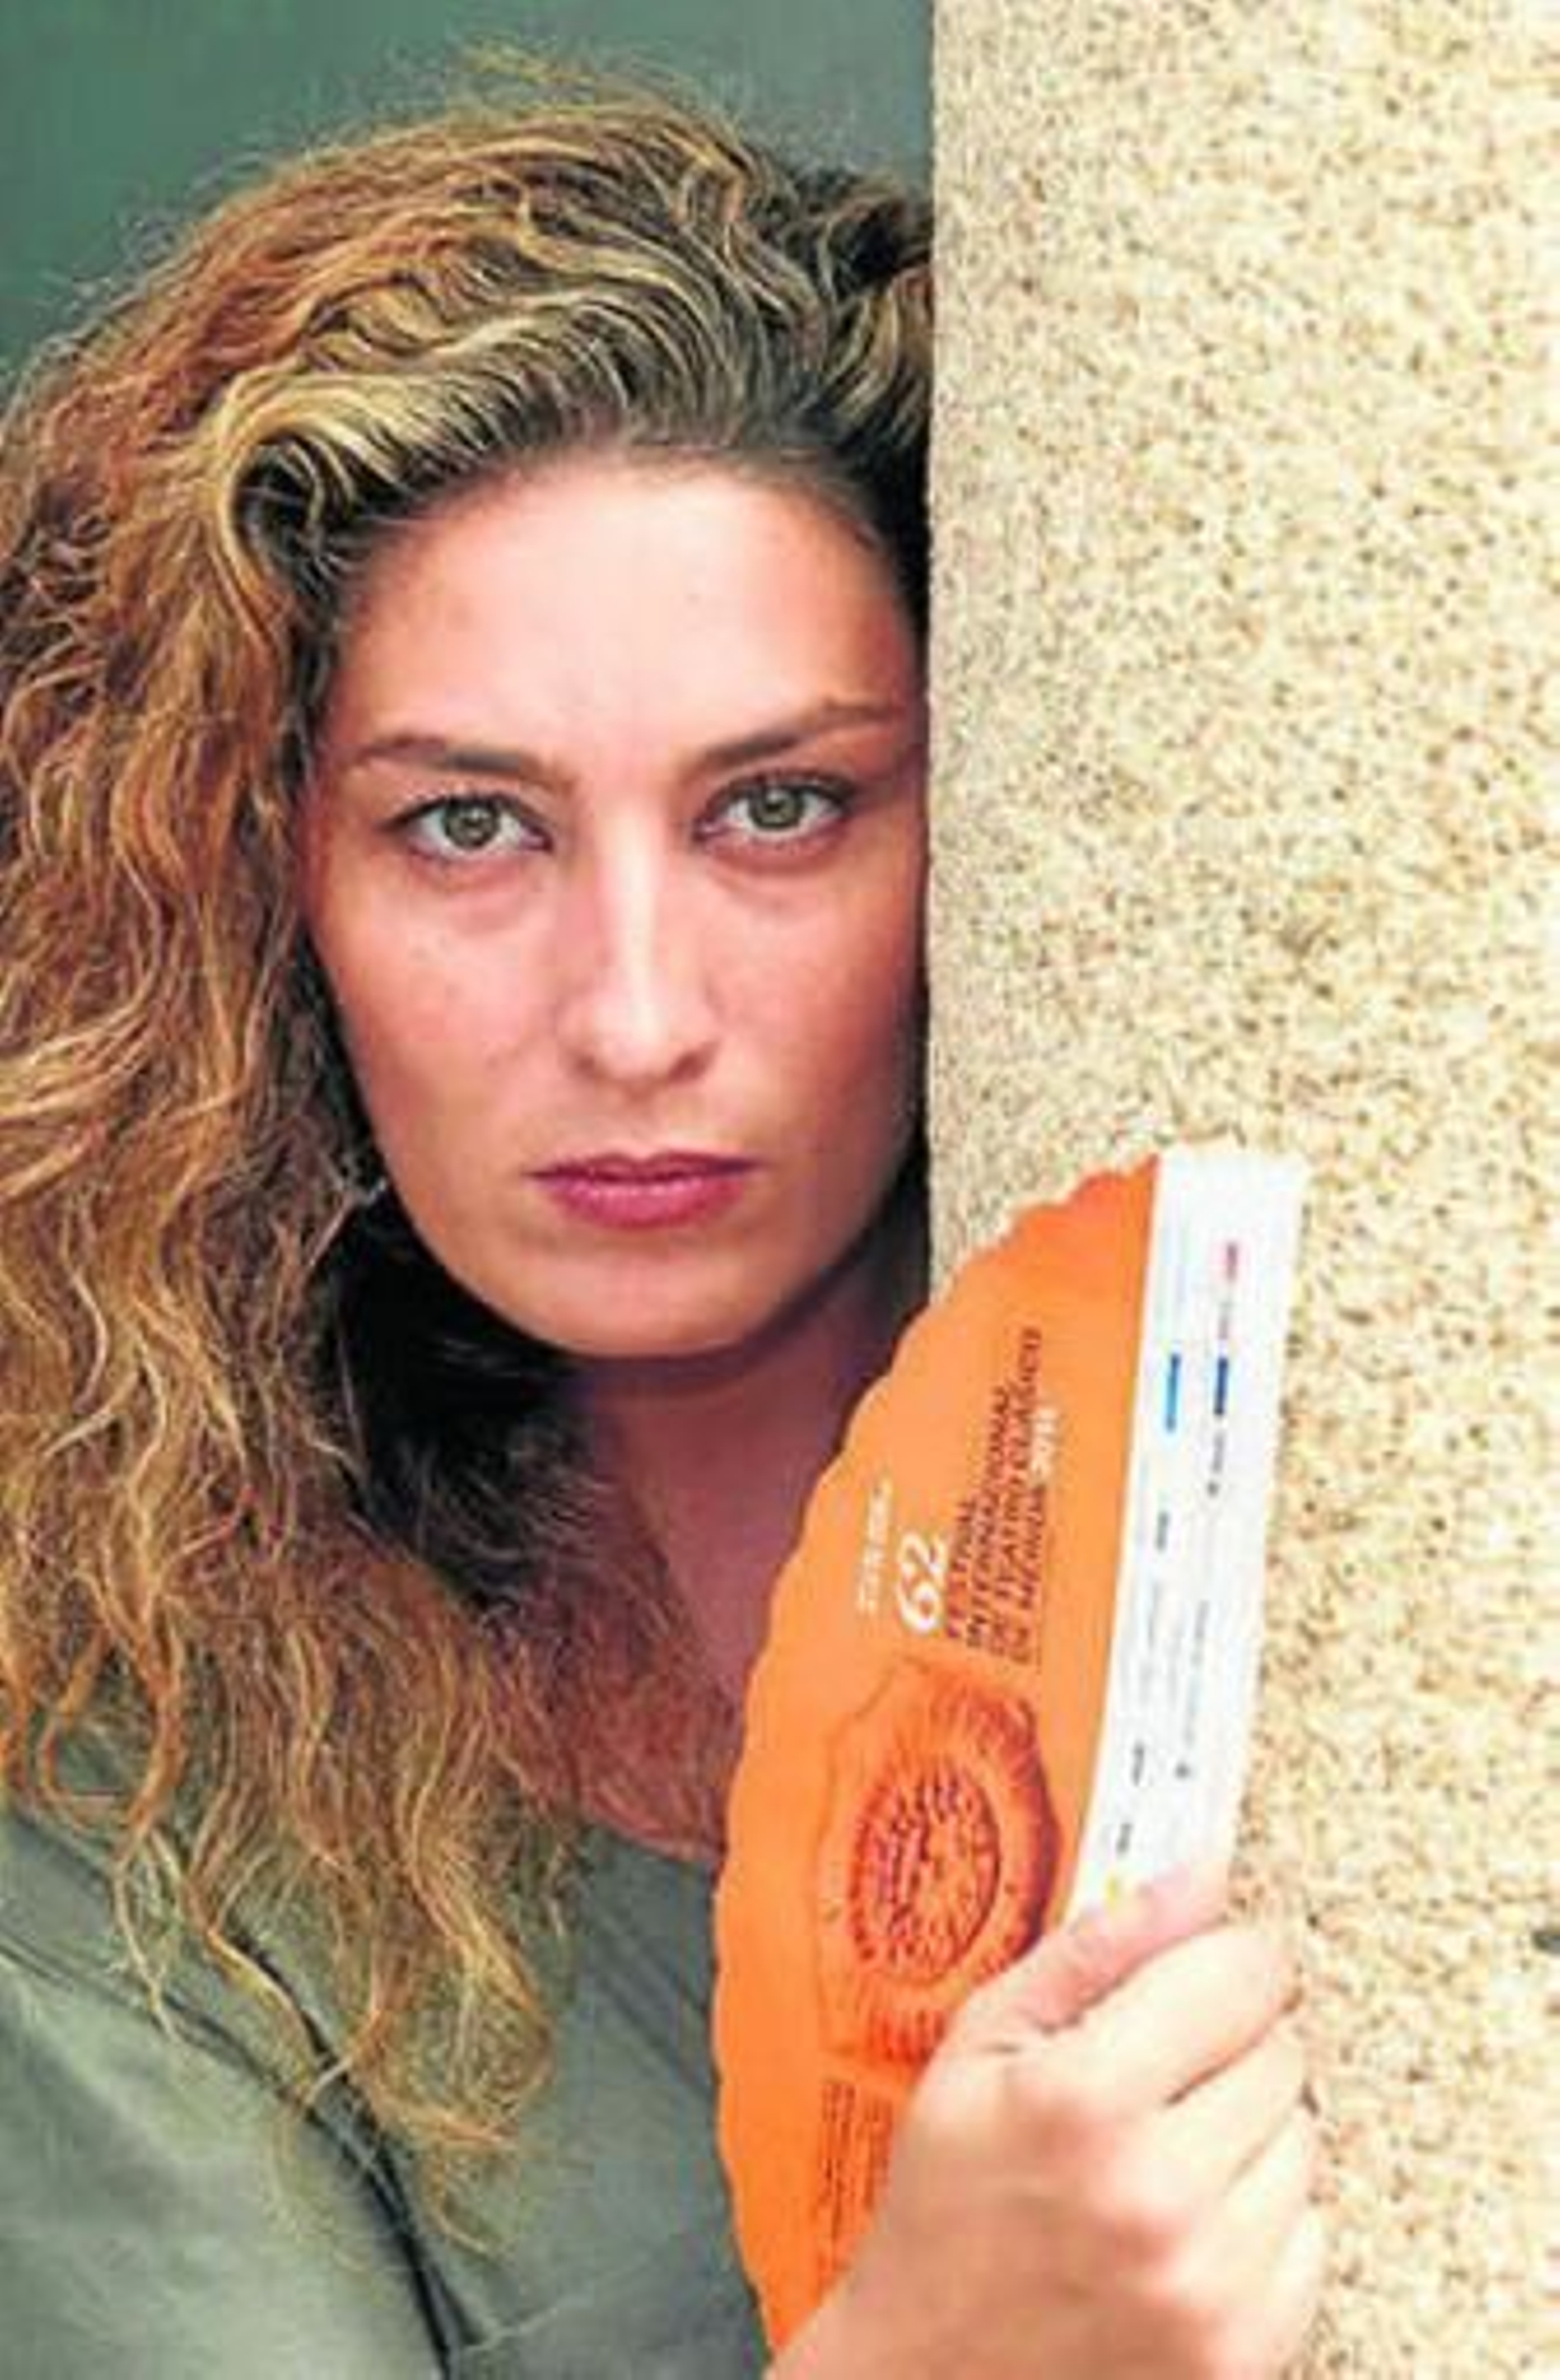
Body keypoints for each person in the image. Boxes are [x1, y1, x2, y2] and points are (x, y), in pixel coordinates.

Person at [0, 66, 1325, 2379]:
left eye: (778, 807)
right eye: (467, 828)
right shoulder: (119, 1796)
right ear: (260, 883)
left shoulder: (1287, 1499)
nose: (632, 1016)